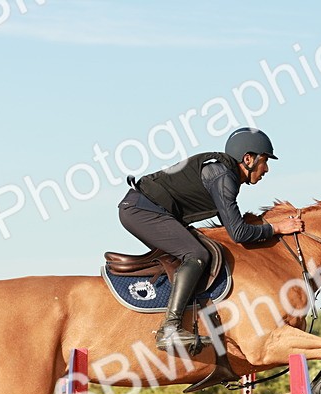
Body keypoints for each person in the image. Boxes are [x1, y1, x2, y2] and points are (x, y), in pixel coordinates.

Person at [118, 127, 304, 352]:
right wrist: (276, 228)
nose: (266, 169)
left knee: (201, 250)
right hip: (142, 211)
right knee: (197, 254)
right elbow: (239, 233)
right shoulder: (224, 177)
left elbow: (230, 226)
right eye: (265, 161)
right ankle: (170, 328)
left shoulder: (222, 173)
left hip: (147, 209)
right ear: (248, 159)